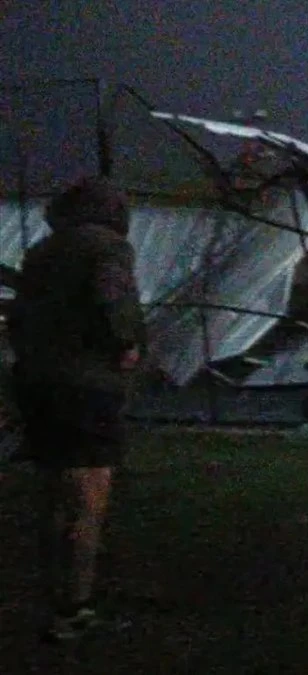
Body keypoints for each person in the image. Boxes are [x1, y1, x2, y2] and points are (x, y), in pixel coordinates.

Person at [7, 176, 147, 642]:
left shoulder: (41, 253)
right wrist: (127, 343)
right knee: (89, 500)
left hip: (37, 385)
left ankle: (55, 597)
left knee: (53, 495)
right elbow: (114, 299)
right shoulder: (107, 248)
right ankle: (75, 608)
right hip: (87, 388)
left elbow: (20, 318)